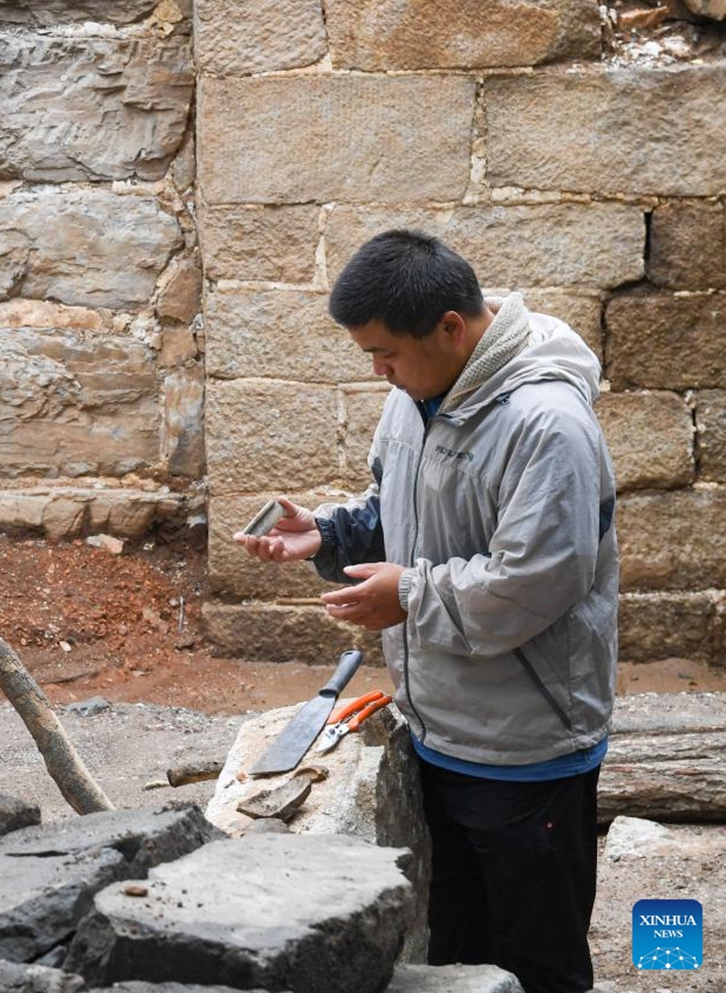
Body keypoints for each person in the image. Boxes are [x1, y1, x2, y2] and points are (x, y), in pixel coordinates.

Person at [234, 229, 618, 993]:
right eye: (367, 355)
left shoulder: (546, 425)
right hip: (438, 729)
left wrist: (406, 595)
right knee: (457, 953)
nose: (377, 371)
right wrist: (330, 534)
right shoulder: (415, 395)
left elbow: (533, 582)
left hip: (526, 748)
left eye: (386, 353)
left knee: (538, 962)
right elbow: (401, 510)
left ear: (450, 326)